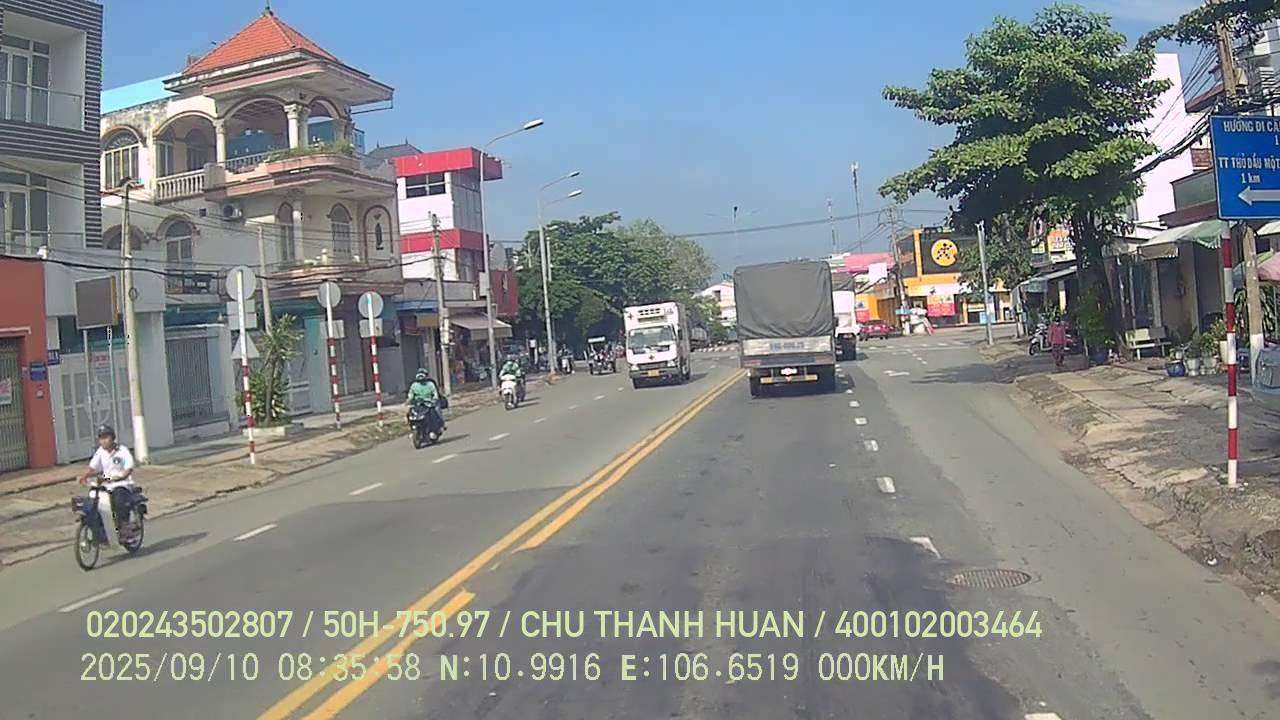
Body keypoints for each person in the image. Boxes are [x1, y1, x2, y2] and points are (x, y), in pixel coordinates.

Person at [79, 424, 135, 547]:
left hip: (121, 484)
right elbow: (93, 468)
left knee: (118, 502)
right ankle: (100, 533)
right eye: (101, 438)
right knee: (93, 504)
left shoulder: (122, 451)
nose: (103, 441)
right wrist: (85, 476)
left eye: (106, 437)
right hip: (105, 485)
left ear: (112, 438)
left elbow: (129, 468)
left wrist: (119, 477)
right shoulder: (100, 452)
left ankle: (125, 530)